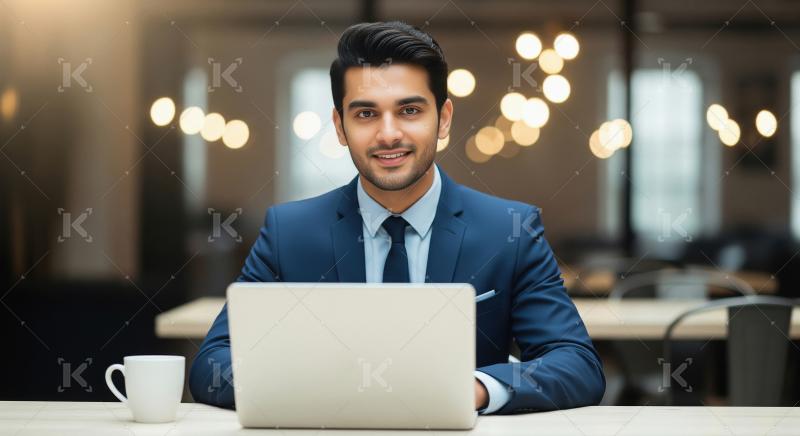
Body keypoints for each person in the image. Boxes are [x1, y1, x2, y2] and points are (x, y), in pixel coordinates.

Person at [190, 20, 605, 415]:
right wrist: (316, 387)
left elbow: (575, 363)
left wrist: (474, 389)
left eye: (409, 110)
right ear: (340, 127)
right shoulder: (289, 233)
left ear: (443, 119)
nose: (388, 134)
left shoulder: (510, 231)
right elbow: (212, 365)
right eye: (365, 114)